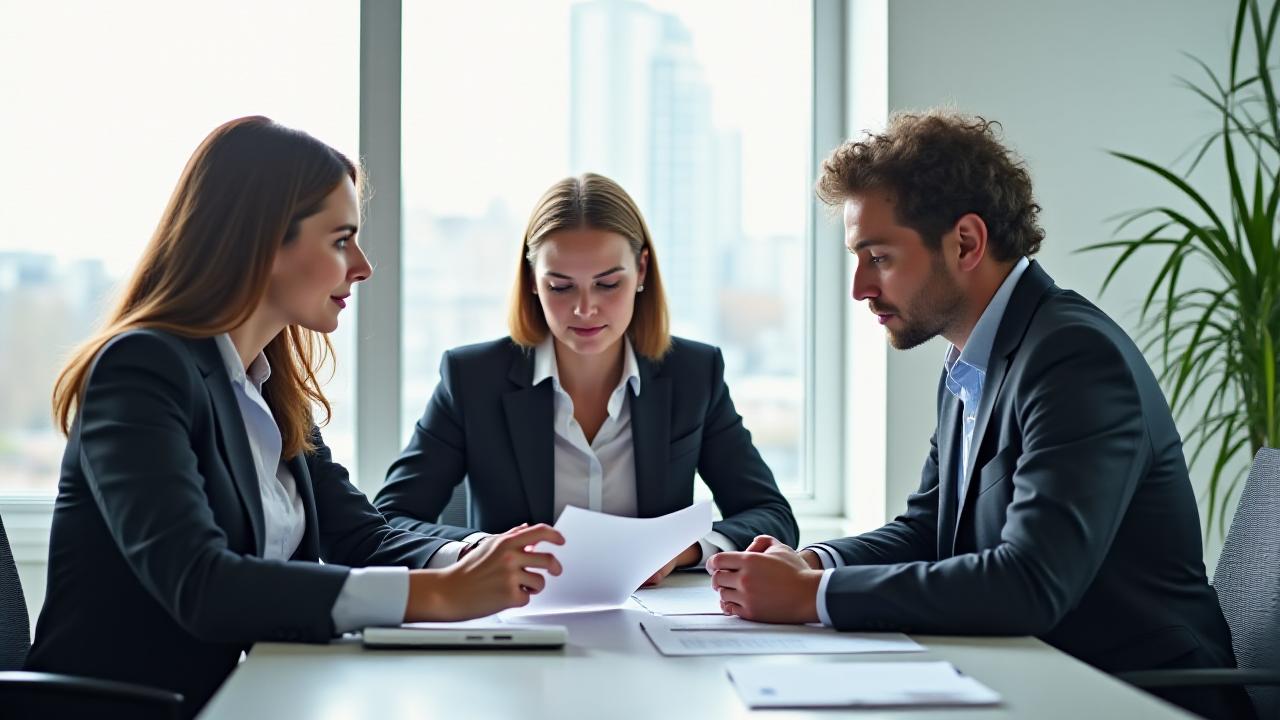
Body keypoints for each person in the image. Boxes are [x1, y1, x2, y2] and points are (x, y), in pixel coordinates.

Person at [706, 110, 1252, 720]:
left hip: (1134, 695)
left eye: (879, 257)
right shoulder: (972, 360)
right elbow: (926, 531)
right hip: (1031, 678)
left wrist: (813, 595)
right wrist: (811, 562)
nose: (860, 287)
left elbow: (1030, 582)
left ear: (966, 242)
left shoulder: (1074, 357)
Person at [25, 116, 563, 717]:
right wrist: (436, 595)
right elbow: (200, 583)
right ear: (261, 243)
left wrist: (478, 556)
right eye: (341, 240)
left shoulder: (268, 388)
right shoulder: (141, 370)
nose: (363, 266)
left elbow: (360, 534)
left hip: (259, 696)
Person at [375, 173, 797, 585]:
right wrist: (482, 550)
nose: (585, 308)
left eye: (608, 284)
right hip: (514, 612)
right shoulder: (472, 378)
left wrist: (682, 549)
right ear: (533, 282)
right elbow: (389, 520)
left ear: (642, 271)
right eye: (560, 287)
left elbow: (772, 516)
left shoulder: (694, 373)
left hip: (655, 614)